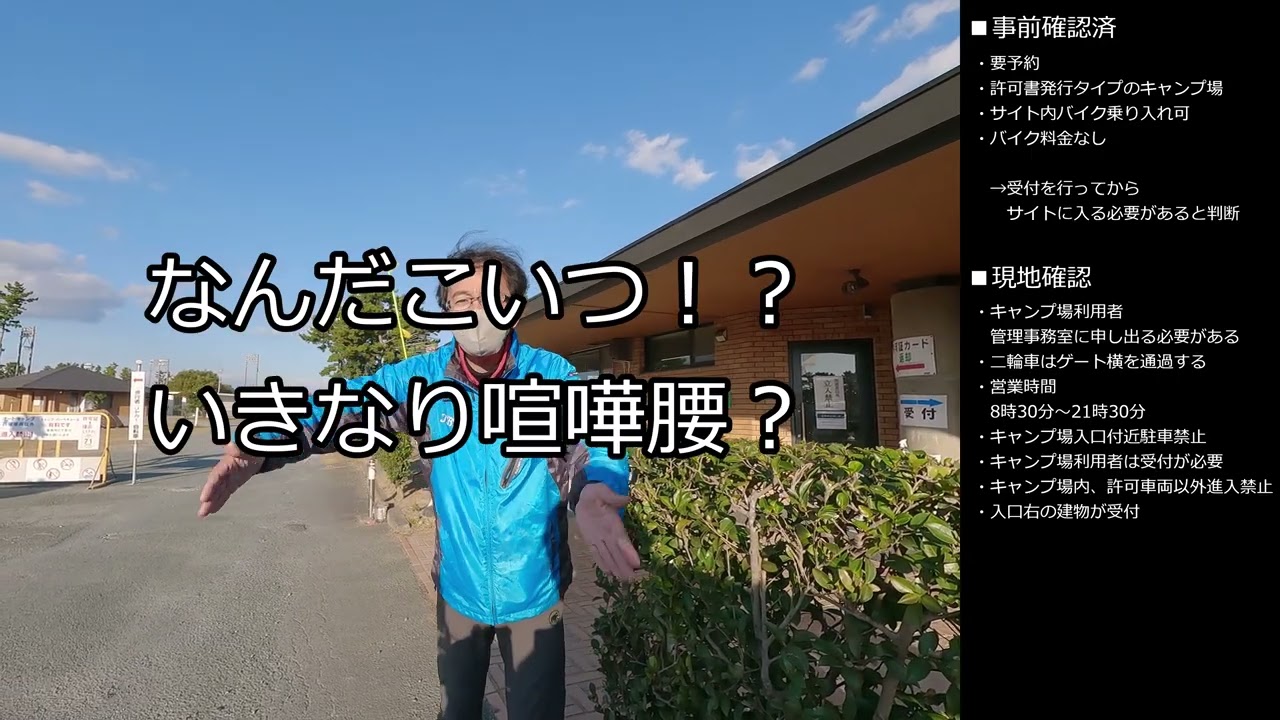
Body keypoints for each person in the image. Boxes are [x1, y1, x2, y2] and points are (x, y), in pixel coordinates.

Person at [198, 238, 643, 720]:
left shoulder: (549, 375)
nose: (476, 312)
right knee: (456, 711)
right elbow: (345, 405)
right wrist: (264, 439)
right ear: (445, 312)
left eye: (491, 299)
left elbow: (592, 434)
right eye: (461, 300)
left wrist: (597, 485)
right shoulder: (424, 379)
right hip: (458, 588)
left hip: (534, 590)